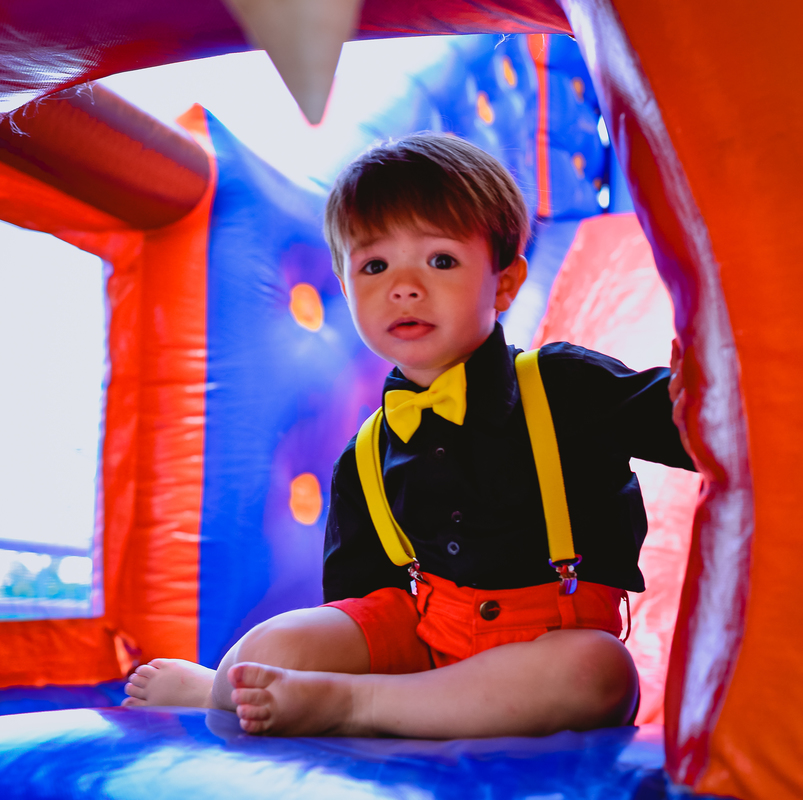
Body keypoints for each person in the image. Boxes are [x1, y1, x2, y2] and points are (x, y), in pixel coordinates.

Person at [122, 133, 695, 738]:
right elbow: (363, 610)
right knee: (276, 645)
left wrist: (695, 396)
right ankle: (214, 686)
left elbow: (689, 429)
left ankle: (356, 705)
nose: (404, 286)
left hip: (547, 645)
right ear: (347, 287)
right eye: (374, 265)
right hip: (425, 633)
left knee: (600, 671)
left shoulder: (563, 384)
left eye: (441, 260)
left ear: (503, 284)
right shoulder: (366, 454)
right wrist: (321, 646)